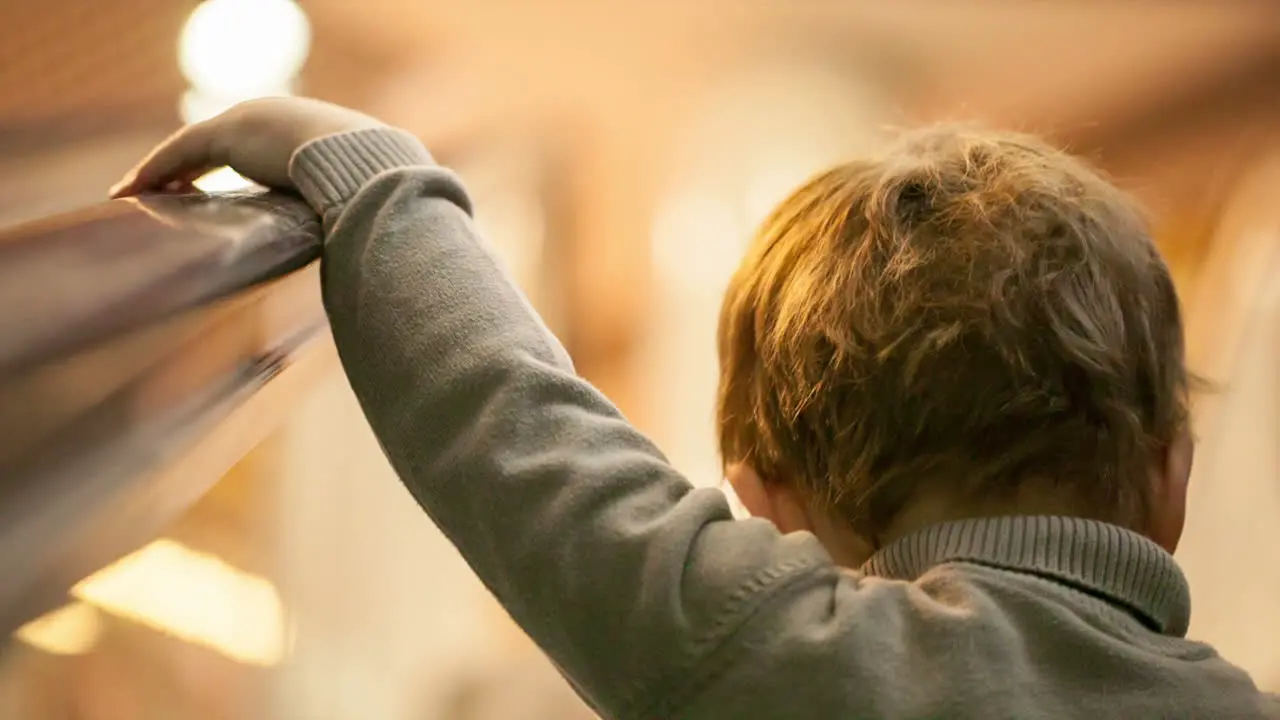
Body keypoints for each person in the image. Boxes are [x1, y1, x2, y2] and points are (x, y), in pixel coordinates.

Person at [111, 98, 1279, 719]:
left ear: (768, 505)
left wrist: (366, 172)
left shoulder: (819, 668)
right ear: (1172, 478)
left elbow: (524, 442)